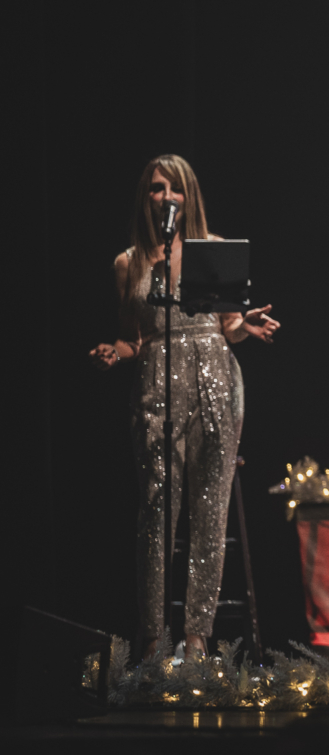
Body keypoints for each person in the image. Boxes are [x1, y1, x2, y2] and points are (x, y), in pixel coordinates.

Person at [89, 155, 280, 660]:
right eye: (156, 188)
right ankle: (152, 635)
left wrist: (248, 326)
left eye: (175, 188)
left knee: (209, 511)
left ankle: (198, 637)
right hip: (154, 386)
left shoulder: (212, 250)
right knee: (157, 509)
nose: (165, 197)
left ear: (189, 196)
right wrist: (115, 351)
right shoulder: (128, 262)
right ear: (144, 197)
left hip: (216, 381)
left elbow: (228, 326)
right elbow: (136, 337)